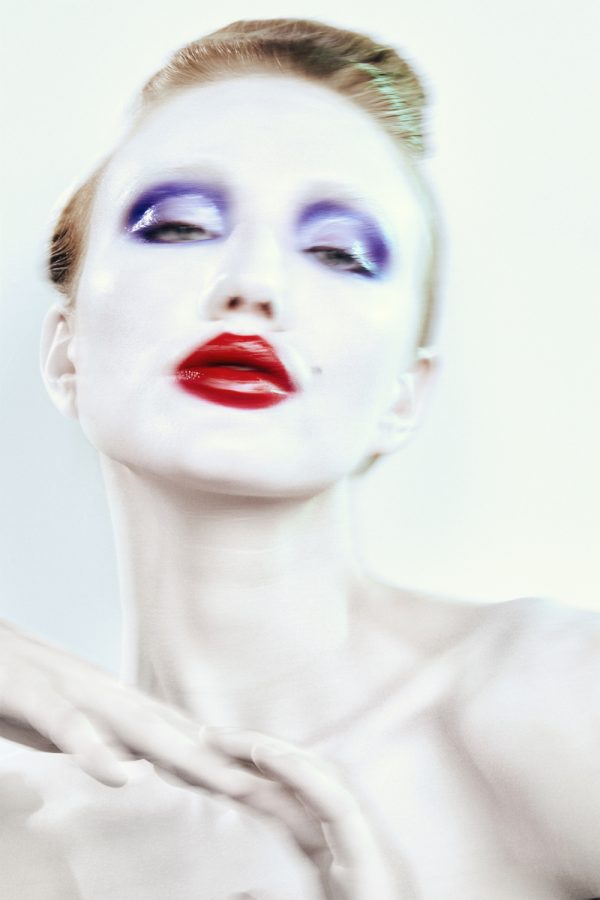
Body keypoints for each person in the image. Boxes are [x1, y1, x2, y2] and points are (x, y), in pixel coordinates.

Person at [0, 16, 598, 900]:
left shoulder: (555, 695)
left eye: (339, 253)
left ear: (404, 396)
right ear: (66, 352)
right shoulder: (26, 837)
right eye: (178, 227)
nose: (255, 284)